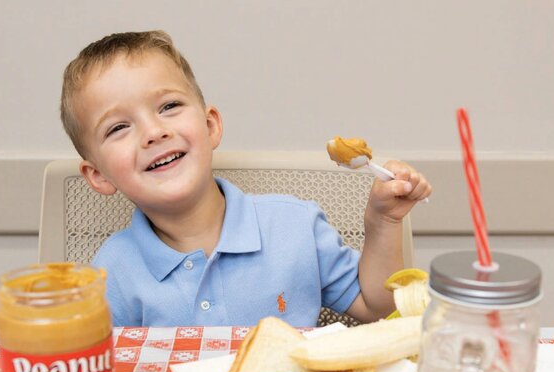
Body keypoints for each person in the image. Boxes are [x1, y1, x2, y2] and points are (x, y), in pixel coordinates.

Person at [59, 30, 433, 327]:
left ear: (210, 126)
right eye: (119, 127)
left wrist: (383, 221)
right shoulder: (111, 271)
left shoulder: (296, 226)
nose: (153, 132)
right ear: (99, 176)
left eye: (169, 106)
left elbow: (378, 307)